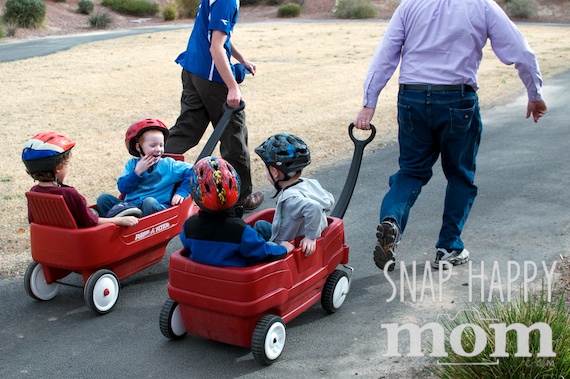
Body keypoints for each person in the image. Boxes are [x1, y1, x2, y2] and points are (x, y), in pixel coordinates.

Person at [353, 0, 548, 271]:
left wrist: (368, 103)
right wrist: (534, 93)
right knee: (459, 175)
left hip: (413, 96)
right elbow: (521, 52)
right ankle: (448, 248)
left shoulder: (410, 5)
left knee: (410, 172)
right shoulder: (482, 5)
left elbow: (385, 54)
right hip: (458, 99)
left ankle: (392, 222)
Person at [164, 0, 263, 212]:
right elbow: (216, 47)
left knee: (185, 131)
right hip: (212, 77)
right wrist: (232, 86)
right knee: (233, 136)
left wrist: (242, 60)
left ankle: (152, 175)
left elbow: (219, 36)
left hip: (192, 69)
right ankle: (242, 196)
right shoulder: (227, 1)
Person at [180, 156, 294, 267]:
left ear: (195, 195)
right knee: (270, 243)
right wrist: (283, 248)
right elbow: (264, 252)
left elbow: (187, 246)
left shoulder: (188, 226)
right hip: (239, 277)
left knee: (260, 227)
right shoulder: (240, 231)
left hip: (203, 276)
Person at [22, 132, 139, 228]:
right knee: (94, 214)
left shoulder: (33, 193)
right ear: (57, 168)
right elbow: (90, 222)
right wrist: (119, 220)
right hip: (78, 243)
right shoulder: (69, 194)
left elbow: (34, 221)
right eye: (66, 164)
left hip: (53, 242)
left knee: (93, 211)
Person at [253, 134, 335, 257]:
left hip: (286, 245)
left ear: (275, 173)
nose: (266, 173)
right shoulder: (309, 183)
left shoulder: (291, 198)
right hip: (292, 233)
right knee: (261, 225)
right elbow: (329, 200)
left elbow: (314, 207)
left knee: (259, 237)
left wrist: (310, 237)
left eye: (266, 170)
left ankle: (252, 258)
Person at [96, 118, 193, 217]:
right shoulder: (132, 164)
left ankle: (135, 223)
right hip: (129, 207)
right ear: (138, 147)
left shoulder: (169, 165)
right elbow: (123, 189)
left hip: (155, 208)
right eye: (153, 145)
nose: (158, 149)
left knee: (149, 202)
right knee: (103, 199)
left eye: (161, 145)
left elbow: (195, 170)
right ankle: (113, 225)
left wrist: (182, 192)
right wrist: (137, 172)